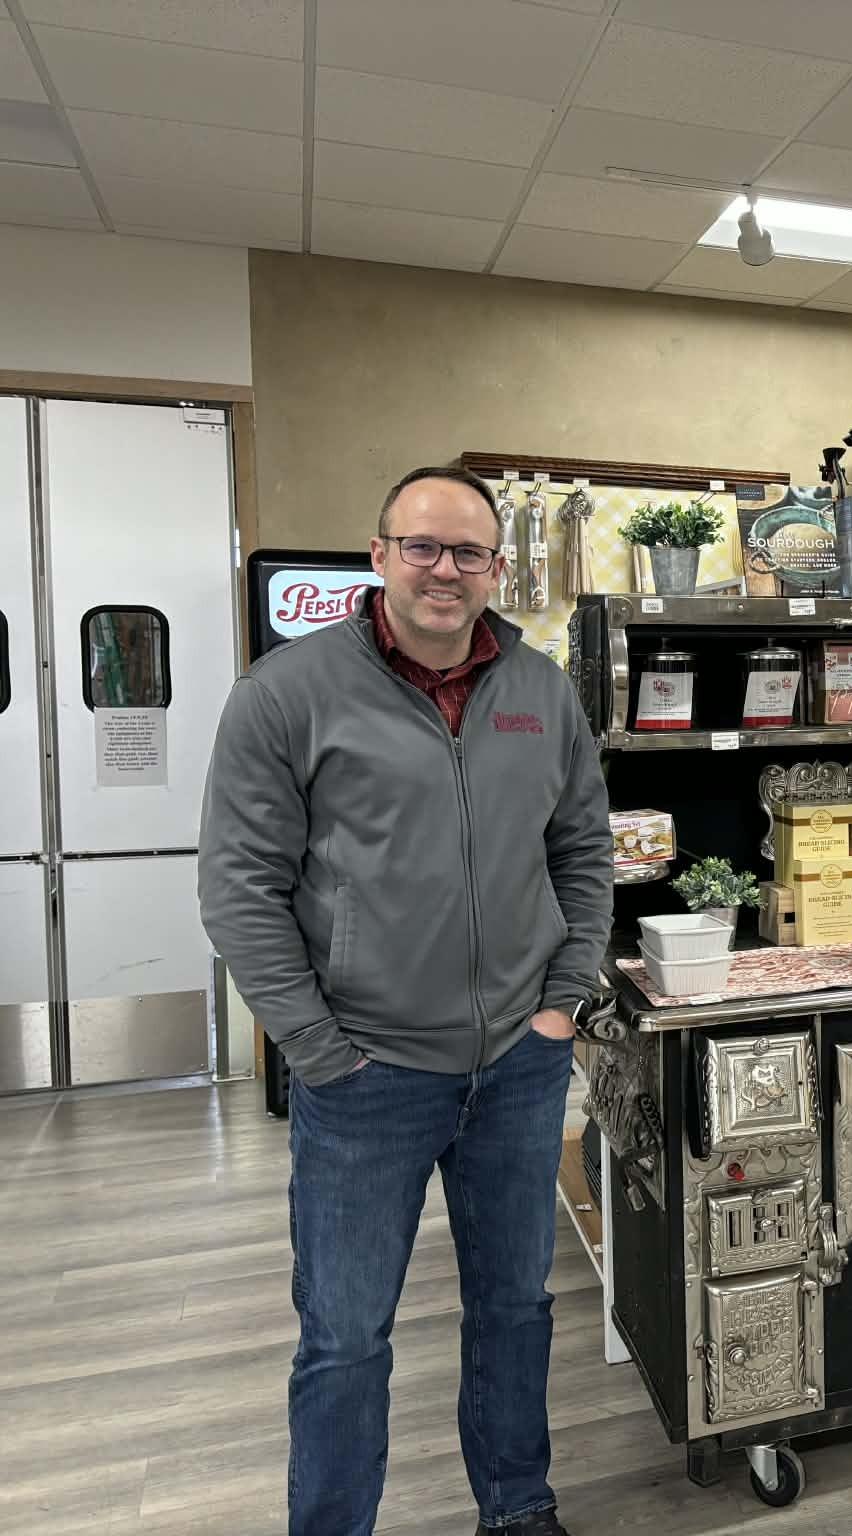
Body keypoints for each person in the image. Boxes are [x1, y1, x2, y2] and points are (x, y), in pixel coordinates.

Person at [199, 466, 612, 1536]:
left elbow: (582, 854)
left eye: (467, 552)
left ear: (495, 568)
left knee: (515, 1310)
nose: (445, 570)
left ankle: (517, 1508)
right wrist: (318, 1050)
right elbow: (237, 890)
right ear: (378, 555)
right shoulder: (286, 693)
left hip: (517, 1068)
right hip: (366, 1077)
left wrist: (562, 1003)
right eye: (422, 547)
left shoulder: (540, 691)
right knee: (344, 1338)